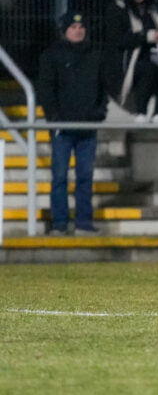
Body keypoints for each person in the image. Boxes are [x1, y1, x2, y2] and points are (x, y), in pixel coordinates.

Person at [37, 12, 115, 235]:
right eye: (73, 27)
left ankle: (83, 222)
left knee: (85, 177)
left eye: (81, 26)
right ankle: (60, 223)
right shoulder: (52, 55)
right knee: (60, 176)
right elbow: (46, 89)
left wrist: (99, 113)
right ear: (65, 30)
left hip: (88, 127)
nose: (78, 30)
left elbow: (103, 88)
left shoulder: (95, 55)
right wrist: (54, 118)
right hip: (62, 128)